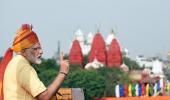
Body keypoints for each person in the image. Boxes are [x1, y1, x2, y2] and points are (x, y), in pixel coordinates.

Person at [0, 24, 69, 100]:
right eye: (35, 49)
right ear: (24, 52)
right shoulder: (24, 67)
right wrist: (62, 73)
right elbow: (44, 97)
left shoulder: (15, 63)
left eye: (40, 48)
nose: (41, 52)